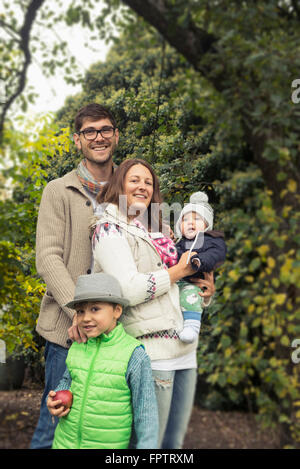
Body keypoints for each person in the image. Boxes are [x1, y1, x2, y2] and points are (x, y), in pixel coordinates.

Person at [91, 158, 215, 449]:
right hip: (152, 352)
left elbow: (176, 288)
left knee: (173, 445)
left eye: (148, 182)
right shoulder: (107, 229)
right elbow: (128, 289)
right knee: (149, 445)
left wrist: (202, 293)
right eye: (134, 180)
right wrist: (179, 271)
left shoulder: (156, 231)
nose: (143, 187)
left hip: (184, 350)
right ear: (118, 184)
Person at [31, 103, 120, 449]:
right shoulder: (58, 190)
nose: (98, 137)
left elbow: (160, 242)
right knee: (54, 427)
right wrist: (79, 315)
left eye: (105, 130)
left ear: (115, 135)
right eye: (89, 131)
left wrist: (197, 270)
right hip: (66, 335)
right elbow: (48, 259)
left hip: (118, 334)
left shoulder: (129, 189)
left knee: (109, 432)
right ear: (77, 140)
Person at [47, 272, 158, 449]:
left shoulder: (133, 355)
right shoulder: (78, 346)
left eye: (95, 309)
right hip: (64, 443)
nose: (85, 318)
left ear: (117, 311)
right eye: (81, 311)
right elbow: (68, 381)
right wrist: (56, 399)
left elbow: (146, 414)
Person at [174, 191, 226, 343]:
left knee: (190, 298)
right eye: (185, 220)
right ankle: (180, 326)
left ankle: (192, 326)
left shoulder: (211, 240)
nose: (191, 222)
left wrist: (199, 260)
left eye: (197, 219)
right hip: (177, 281)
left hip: (195, 282)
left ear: (206, 225)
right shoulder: (180, 243)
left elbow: (215, 255)